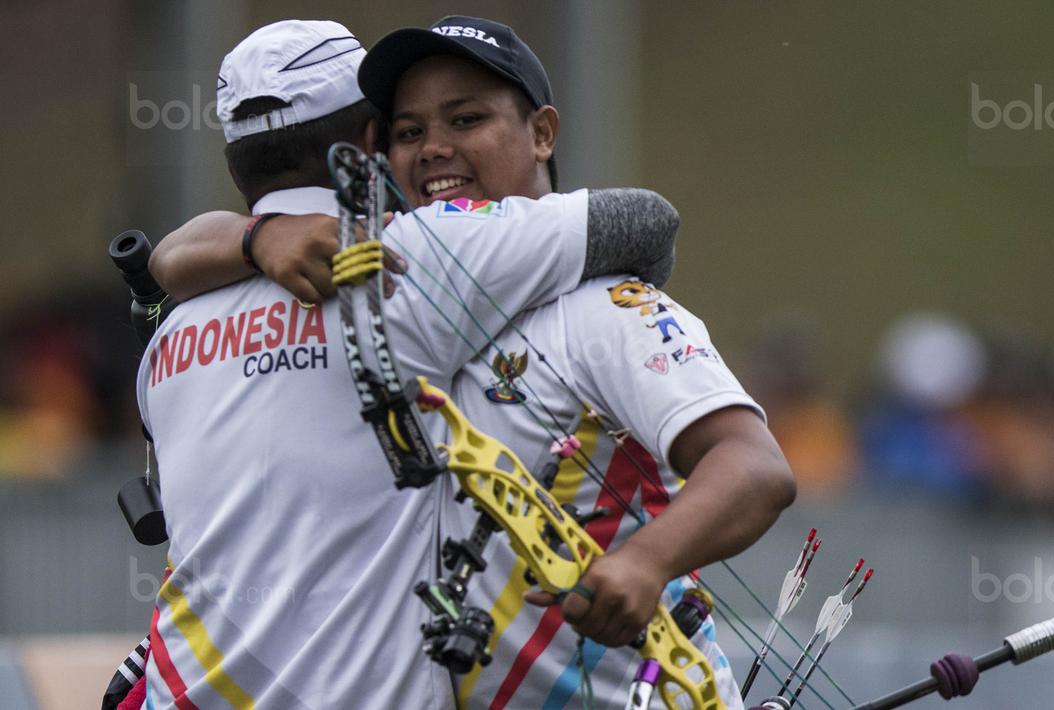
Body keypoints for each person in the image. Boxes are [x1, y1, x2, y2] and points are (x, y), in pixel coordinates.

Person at [156, 16, 797, 709]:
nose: (434, 148)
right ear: (373, 151)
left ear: (543, 133)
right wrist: (255, 238)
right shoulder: (400, 274)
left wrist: (647, 561)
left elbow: (754, 466)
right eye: (408, 132)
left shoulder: (601, 301)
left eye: (465, 120)